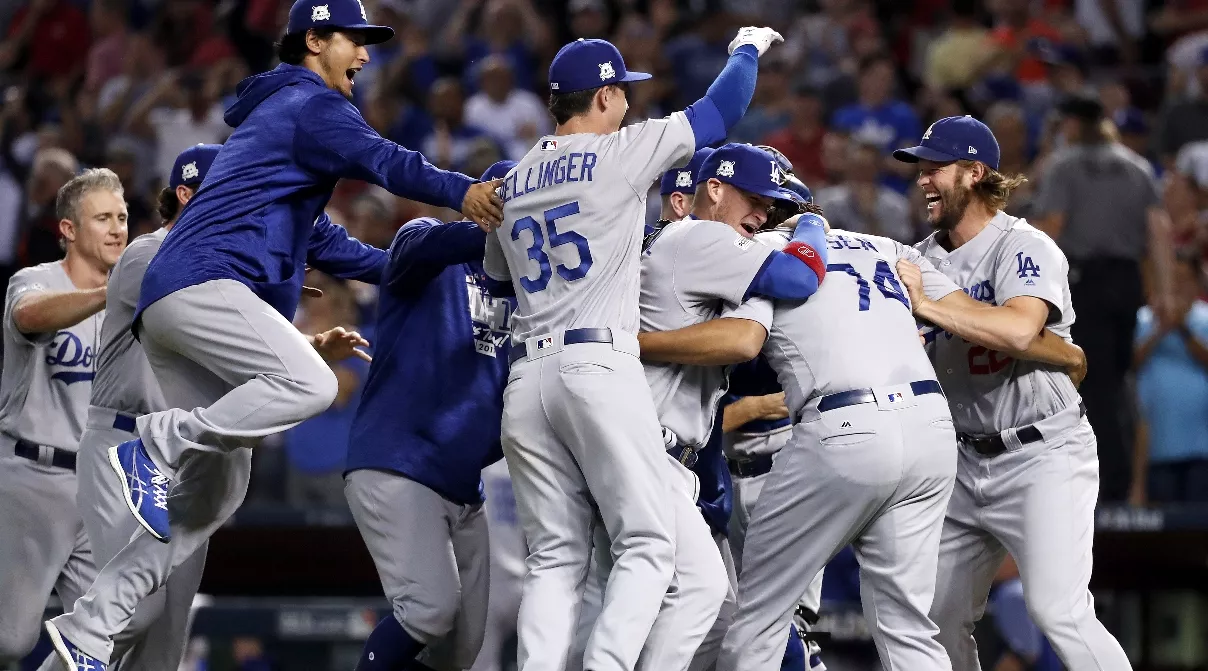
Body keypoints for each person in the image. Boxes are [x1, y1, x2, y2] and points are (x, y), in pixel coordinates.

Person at [101, 0, 500, 555]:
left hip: (183, 295)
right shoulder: (309, 103)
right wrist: (462, 191)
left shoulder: (280, 128)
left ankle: (92, 625)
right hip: (203, 284)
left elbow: (336, 247)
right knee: (311, 383)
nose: (364, 53)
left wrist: (420, 263)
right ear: (314, 41)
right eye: (351, 38)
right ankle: (159, 442)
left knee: (210, 492)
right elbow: (384, 160)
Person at [483, 29, 783, 671]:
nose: (627, 105)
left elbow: (498, 280)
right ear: (606, 95)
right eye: (622, 93)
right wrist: (746, 50)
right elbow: (718, 113)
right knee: (647, 542)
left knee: (553, 559)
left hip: (527, 373)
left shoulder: (510, 179)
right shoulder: (619, 153)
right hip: (597, 362)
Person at [41, 145, 372, 671]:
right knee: (134, 615)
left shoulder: (219, 270)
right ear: (187, 196)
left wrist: (303, 346)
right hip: (124, 446)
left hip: (192, 455)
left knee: (163, 644)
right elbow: (206, 328)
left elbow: (229, 343)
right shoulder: (148, 255)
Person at [641, 224, 967, 671]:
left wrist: (635, 343)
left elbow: (741, 340)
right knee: (908, 626)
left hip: (846, 426)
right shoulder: (883, 245)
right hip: (932, 424)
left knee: (757, 621)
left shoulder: (767, 252)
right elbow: (965, 312)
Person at [571, 143, 831, 671]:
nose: (762, 214)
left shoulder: (669, 243)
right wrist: (808, 226)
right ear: (713, 190)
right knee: (691, 591)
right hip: (644, 442)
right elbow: (785, 293)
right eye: (755, 200)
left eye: (772, 205)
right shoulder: (699, 236)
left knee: (657, 599)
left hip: (629, 438)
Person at [891, 115, 1132, 670]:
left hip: (1040, 453)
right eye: (920, 170)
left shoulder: (1023, 245)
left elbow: (1021, 330)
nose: (923, 180)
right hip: (962, 459)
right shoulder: (916, 259)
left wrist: (928, 304)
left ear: (976, 173)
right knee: (934, 619)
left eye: (935, 169)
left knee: (1059, 612)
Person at [343, 161, 518, 671]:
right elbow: (419, 248)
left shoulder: (536, 296)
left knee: (460, 649)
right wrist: (487, 225)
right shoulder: (428, 245)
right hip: (399, 462)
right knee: (428, 610)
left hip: (464, 487)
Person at [0, 168, 128, 666]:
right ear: (69, 230)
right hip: (31, 474)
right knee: (9, 640)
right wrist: (107, 296)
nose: (118, 228)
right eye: (102, 218)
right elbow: (28, 317)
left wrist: (308, 346)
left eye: (121, 216)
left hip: (100, 487)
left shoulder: (133, 302)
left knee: (101, 642)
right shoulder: (35, 281)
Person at [1032, 93, 1174, 501]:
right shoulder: (1138, 166)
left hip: (1087, 283)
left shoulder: (1064, 165)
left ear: (1072, 125)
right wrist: (1162, 290)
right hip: (1127, 283)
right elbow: (1158, 232)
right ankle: (1124, 479)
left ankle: (1104, 483)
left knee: (1088, 383)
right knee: (1119, 380)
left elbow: (1052, 227)